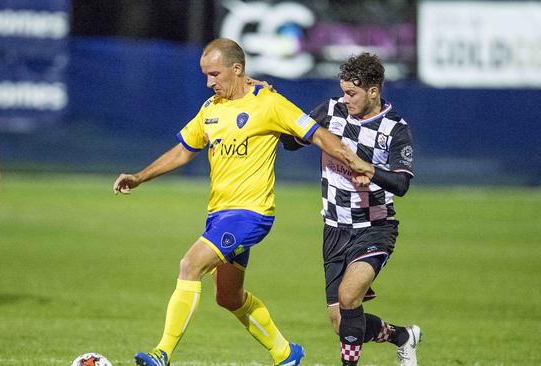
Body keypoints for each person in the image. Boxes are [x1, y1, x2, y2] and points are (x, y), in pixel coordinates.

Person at [112, 38, 365, 366]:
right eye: (205, 75)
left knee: (190, 265)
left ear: (238, 69)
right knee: (228, 297)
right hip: (219, 216)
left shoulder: (270, 103)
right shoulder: (210, 110)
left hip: (250, 215)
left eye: (215, 74)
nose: (209, 82)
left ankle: (162, 353)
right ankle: (285, 353)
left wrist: (354, 161)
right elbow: (182, 151)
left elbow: (316, 133)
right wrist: (139, 177)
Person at [280, 53, 421, 365]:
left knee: (347, 297)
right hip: (334, 228)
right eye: (343, 91)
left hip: (375, 227)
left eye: (352, 93)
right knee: (342, 322)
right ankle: (403, 336)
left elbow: (402, 185)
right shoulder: (331, 111)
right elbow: (291, 142)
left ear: (373, 91)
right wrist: (270, 103)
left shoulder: (395, 128)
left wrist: (366, 167)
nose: (345, 99)